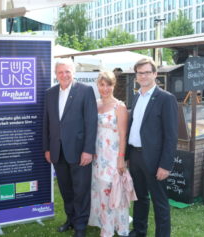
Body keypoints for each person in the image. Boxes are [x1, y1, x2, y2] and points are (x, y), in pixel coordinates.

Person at [43, 58, 98, 237]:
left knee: (81, 190)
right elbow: (47, 123)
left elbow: (91, 122)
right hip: (57, 151)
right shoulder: (50, 93)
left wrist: (88, 150)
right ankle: (71, 220)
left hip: (80, 151)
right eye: (60, 72)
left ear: (73, 72)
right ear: (56, 74)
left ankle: (80, 226)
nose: (64, 75)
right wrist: (47, 148)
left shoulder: (85, 91)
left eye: (67, 71)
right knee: (66, 190)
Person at [127, 58, 178, 237]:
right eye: (140, 73)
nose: (144, 76)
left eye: (147, 72)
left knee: (160, 202)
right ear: (136, 76)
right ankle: (139, 231)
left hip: (155, 160)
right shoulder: (136, 96)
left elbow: (171, 136)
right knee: (139, 197)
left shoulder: (166, 99)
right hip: (135, 156)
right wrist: (127, 155)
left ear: (155, 74)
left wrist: (165, 164)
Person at [88, 71, 136, 237]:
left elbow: (123, 135)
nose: (105, 88)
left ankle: (120, 228)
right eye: (102, 84)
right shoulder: (95, 104)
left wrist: (121, 159)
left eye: (109, 84)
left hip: (114, 156)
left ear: (114, 85)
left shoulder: (119, 106)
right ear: (97, 85)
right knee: (101, 192)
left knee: (115, 191)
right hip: (97, 156)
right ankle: (105, 226)